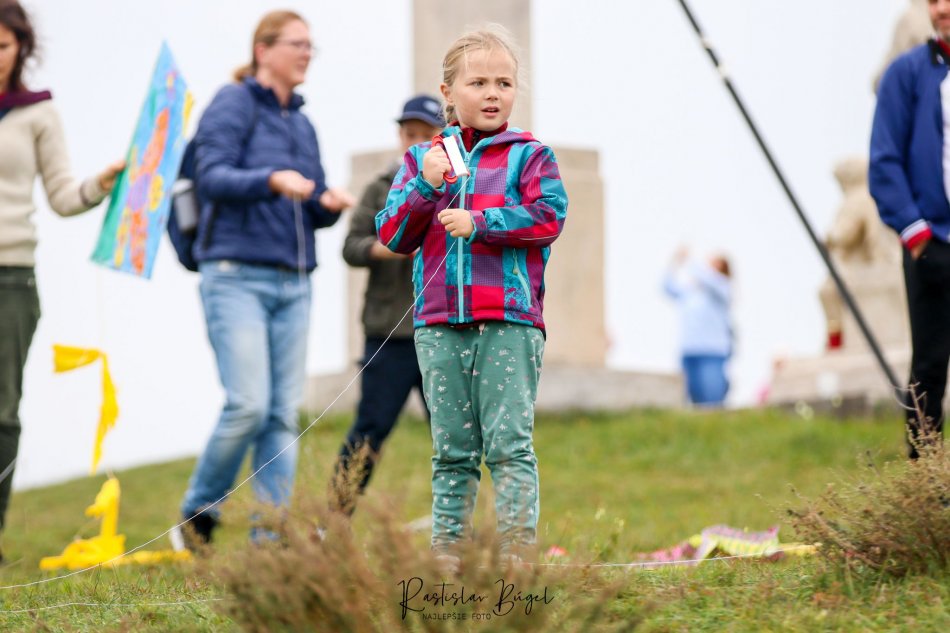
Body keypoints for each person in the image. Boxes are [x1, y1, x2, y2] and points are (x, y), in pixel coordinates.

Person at [376, 27, 568, 572]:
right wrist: (426, 187)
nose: (492, 94)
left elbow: (548, 217)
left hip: (509, 321)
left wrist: (481, 222)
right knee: (452, 451)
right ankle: (447, 557)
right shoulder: (422, 159)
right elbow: (392, 235)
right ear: (448, 92)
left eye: (504, 83)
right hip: (438, 324)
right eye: (478, 82)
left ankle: (516, 556)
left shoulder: (531, 156)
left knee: (509, 444)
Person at [174, 10, 354, 548]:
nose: (306, 54)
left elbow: (310, 205)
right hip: (235, 275)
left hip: (294, 282)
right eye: (297, 43)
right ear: (263, 50)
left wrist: (327, 203)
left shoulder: (302, 123)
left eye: (310, 46)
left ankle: (269, 540)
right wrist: (271, 179)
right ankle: (198, 511)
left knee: (280, 415)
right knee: (248, 404)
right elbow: (212, 176)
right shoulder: (232, 103)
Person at [0, 0, 124, 561]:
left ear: (21, 48)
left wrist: (100, 183)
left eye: (3, 46)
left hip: (11, 280)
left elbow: (63, 197)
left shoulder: (39, 114)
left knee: (1, 412)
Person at [329, 95, 443, 516]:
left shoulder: (460, 187)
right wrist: (386, 248)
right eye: (410, 133)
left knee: (451, 435)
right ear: (400, 136)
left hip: (443, 330)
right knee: (370, 430)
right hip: (388, 333)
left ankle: (457, 525)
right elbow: (351, 247)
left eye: (426, 134)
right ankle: (334, 520)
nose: (417, 141)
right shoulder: (380, 187)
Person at [869, 0, 950, 458]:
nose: (942, 8)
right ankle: (926, 485)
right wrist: (918, 236)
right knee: (930, 369)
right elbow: (884, 161)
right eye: (934, 0)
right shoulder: (904, 74)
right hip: (932, 244)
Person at [663, 248, 734, 407]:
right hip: (689, 351)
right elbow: (666, 287)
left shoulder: (723, 288)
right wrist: (674, 262)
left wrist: (689, 260)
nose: (709, 268)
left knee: (712, 402)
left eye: (714, 265)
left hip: (712, 353)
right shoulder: (690, 292)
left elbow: (708, 279)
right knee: (694, 403)